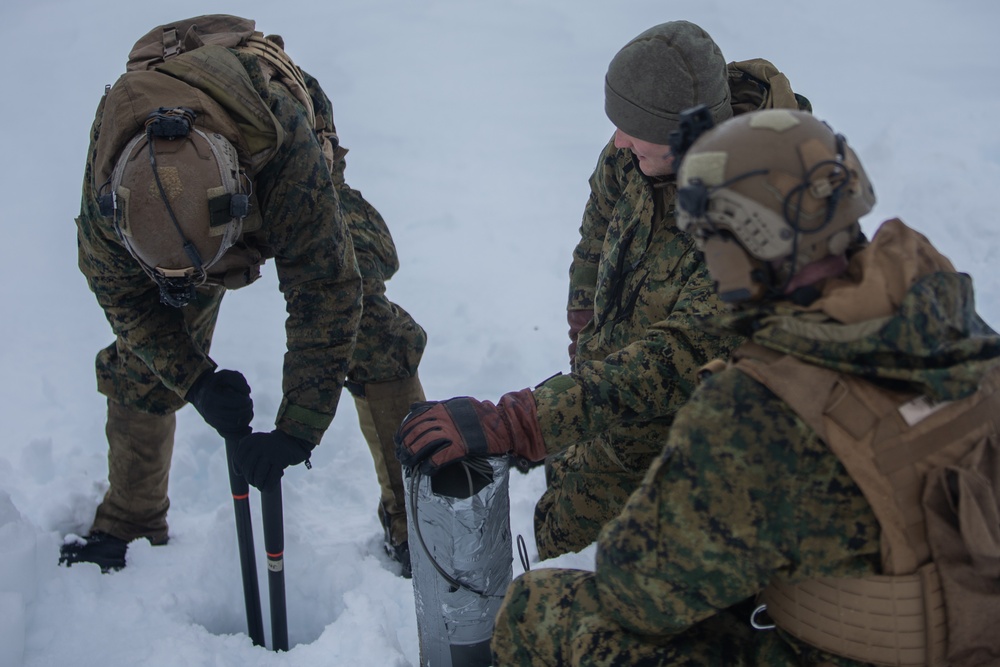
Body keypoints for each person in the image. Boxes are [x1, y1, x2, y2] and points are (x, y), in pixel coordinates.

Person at [486, 108, 1000, 665]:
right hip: (971, 629)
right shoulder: (956, 328)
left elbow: (637, 594)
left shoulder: (761, 410)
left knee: (536, 609)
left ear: (738, 242)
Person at [396, 20, 809, 560]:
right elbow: (597, 228)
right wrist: (583, 326)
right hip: (604, 403)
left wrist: (521, 421)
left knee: (585, 578)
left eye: (635, 128)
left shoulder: (758, 220)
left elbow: (679, 357)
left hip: (691, 452)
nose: (618, 140)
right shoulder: (641, 149)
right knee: (563, 508)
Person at [60, 15, 426, 576]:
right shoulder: (109, 199)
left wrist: (297, 428)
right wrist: (196, 380)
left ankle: (413, 523)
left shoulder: (281, 149)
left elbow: (324, 290)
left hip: (276, 148)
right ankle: (130, 520)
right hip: (181, 203)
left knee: (369, 330)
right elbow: (128, 306)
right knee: (144, 356)